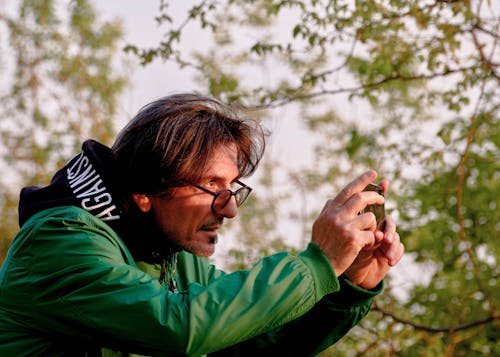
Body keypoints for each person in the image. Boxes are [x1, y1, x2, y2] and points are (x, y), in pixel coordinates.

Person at [0, 93, 404, 356]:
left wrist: (348, 284)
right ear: (145, 190)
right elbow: (178, 325)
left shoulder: (171, 258)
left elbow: (253, 343)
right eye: (212, 185)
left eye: (233, 188)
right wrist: (318, 263)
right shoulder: (61, 241)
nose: (229, 209)